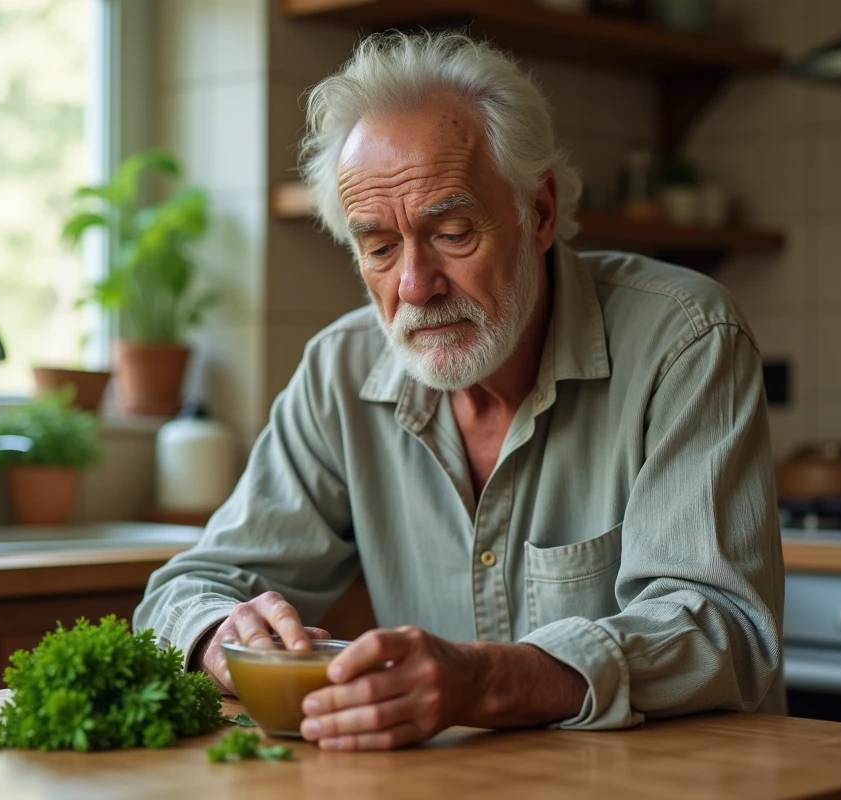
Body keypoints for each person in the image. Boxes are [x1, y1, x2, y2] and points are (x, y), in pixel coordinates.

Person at [135, 31, 784, 751]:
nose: (415, 286)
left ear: (537, 213)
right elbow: (185, 589)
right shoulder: (340, 371)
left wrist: (483, 681)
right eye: (379, 248)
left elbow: (722, 627)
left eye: (451, 232)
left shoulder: (686, 339)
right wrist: (223, 634)